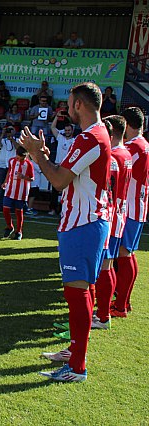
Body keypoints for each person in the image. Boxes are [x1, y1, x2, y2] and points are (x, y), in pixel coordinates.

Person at [21, 81, 110, 382]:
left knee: (77, 292)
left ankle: (77, 367)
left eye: (70, 103)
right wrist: (45, 156)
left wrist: (36, 154)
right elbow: (70, 175)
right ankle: (74, 353)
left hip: (83, 224)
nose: (67, 108)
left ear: (79, 105)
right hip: (82, 222)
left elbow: (58, 181)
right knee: (77, 291)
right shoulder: (95, 136)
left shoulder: (91, 139)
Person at [91, 115, 132, 329]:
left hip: (110, 215)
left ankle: (103, 316)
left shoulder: (113, 157)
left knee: (105, 266)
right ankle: (103, 312)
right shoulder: (126, 154)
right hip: (120, 214)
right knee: (108, 265)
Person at [111, 107, 149, 318]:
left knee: (124, 255)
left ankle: (120, 305)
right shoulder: (143, 144)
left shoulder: (134, 147)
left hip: (130, 207)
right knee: (128, 255)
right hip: (138, 205)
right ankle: (124, 301)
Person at [1, 146, 34, 240]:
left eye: (21, 158)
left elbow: (32, 178)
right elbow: (9, 171)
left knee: (18, 212)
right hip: (10, 188)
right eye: (18, 157)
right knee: (5, 209)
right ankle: (9, 226)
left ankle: (19, 232)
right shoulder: (11, 161)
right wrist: (5, 182)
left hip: (21, 191)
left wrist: (24, 177)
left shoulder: (29, 164)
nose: (19, 159)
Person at [48, 115, 76, 215]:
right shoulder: (60, 138)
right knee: (55, 189)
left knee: (66, 190)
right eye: (66, 130)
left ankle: (63, 210)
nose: (67, 132)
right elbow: (52, 128)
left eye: (69, 130)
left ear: (72, 131)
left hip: (67, 167)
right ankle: (52, 209)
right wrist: (57, 116)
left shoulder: (75, 141)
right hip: (58, 165)